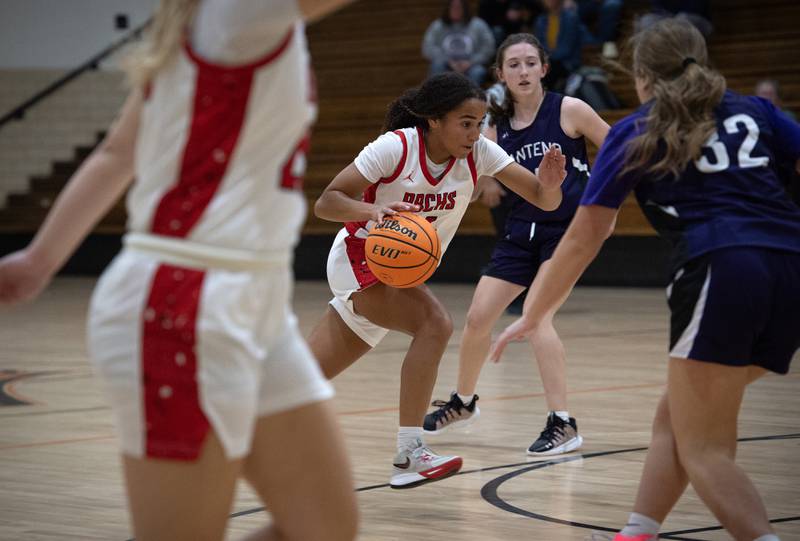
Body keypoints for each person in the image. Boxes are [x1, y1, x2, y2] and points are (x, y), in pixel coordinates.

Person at [0, 1, 361, 540]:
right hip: (184, 300)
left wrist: (37, 261)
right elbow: (118, 153)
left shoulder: (215, 21)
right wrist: (38, 261)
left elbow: (119, 152)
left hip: (253, 301)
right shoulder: (238, 11)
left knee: (324, 526)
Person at [491, 19, 800, 541]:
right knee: (674, 418)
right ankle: (637, 532)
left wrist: (535, 311)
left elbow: (585, 237)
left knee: (705, 450)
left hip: (722, 270)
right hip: (790, 268)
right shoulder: (757, 110)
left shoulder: (638, 129)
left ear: (641, 76)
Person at [307, 71, 567, 489]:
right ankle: (410, 452)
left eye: (479, 123)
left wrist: (552, 187)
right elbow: (327, 202)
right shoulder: (396, 148)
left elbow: (542, 197)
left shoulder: (479, 153)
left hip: (398, 269)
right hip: (360, 255)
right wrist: (370, 212)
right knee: (435, 323)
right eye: (465, 122)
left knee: (305, 377)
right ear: (433, 120)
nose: (474, 132)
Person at [423, 33, 609, 457]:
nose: (522, 71)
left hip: (565, 234)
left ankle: (563, 423)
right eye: (514, 65)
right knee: (476, 318)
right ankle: (464, 402)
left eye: (530, 63)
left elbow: (615, 150)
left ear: (544, 68)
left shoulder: (569, 110)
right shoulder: (493, 126)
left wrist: (603, 208)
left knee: (536, 317)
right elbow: (474, 181)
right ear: (500, 74)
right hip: (519, 231)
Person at [422, 0, 497, 86]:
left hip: (471, 64)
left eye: (458, 7)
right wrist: (448, 61)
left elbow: (489, 47)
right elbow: (428, 47)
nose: (455, 10)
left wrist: (470, 62)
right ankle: (437, 98)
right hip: (446, 64)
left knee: (478, 72)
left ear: (465, 9)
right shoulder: (438, 25)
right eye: (452, 7)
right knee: (436, 66)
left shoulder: (478, 25)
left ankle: (470, 98)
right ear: (447, 9)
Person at [534, 0, 586, 91]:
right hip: (549, 62)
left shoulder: (571, 18)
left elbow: (566, 48)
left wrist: (548, 58)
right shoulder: (541, 20)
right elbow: (540, 46)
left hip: (567, 63)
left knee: (548, 69)